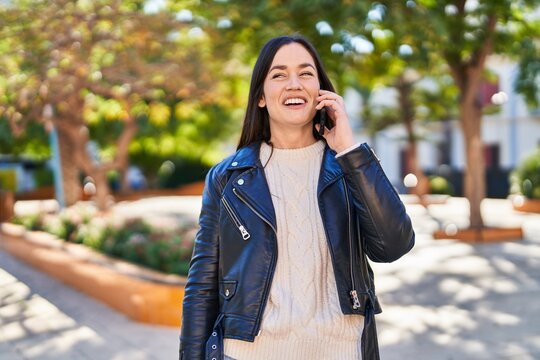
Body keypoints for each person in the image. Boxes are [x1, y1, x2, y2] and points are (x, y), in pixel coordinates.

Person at [179, 35, 415, 360]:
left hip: (342, 351)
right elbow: (202, 286)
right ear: (260, 97)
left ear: (320, 91)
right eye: (278, 75)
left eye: (306, 73)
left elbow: (394, 246)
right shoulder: (228, 178)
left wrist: (348, 149)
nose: (294, 84)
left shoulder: (350, 166)